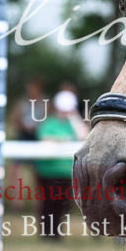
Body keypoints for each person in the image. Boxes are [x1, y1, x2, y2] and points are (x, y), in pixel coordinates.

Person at [35, 90, 80, 241]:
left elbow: (84, 136)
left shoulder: (72, 125)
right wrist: (62, 140)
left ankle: (56, 233)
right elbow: (44, 139)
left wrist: (74, 118)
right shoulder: (49, 123)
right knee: (49, 203)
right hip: (48, 172)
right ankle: (47, 233)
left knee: (63, 205)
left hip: (66, 172)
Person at [7, 78, 46, 212]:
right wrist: (23, 125)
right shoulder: (22, 102)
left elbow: (48, 119)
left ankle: (38, 204)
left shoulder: (44, 103)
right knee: (15, 169)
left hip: (37, 136)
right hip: (23, 136)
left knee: (38, 172)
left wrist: (39, 127)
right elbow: (15, 117)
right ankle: (17, 203)